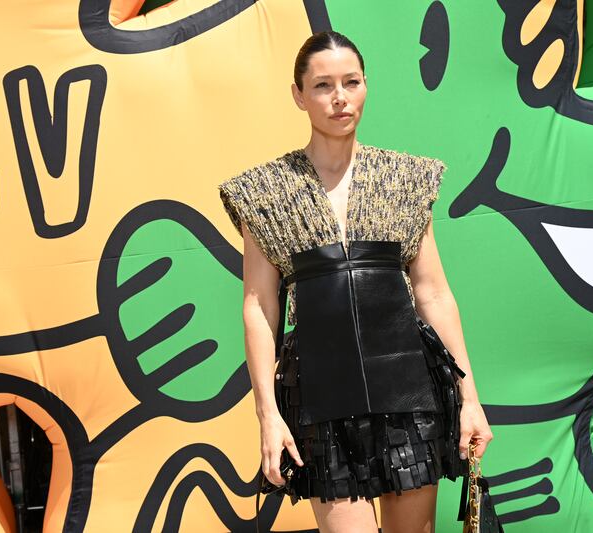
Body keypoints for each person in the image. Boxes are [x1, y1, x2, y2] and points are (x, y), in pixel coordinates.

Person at [217, 30, 493, 533]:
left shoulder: (405, 180)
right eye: (322, 85)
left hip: (410, 392)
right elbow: (258, 307)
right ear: (298, 95)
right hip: (319, 399)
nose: (339, 97)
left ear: (366, 86)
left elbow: (433, 293)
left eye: (351, 82)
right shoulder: (264, 191)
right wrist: (267, 416)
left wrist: (469, 400)